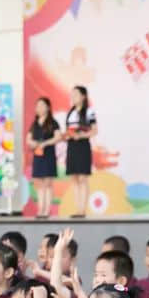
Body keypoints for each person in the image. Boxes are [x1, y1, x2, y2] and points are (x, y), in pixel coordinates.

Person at [65, 85, 96, 215]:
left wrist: (81, 135)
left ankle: (83, 209)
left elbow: (94, 130)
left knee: (83, 178)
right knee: (74, 177)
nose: (73, 97)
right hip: (72, 146)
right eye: (72, 94)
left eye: (76, 94)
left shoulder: (89, 111)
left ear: (83, 96)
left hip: (83, 145)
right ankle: (77, 208)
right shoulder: (70, 112)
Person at [27, 97, 60, 217]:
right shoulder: (35, 123)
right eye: (37, 105)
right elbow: (28, 139)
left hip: (49, 155)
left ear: (48, 107)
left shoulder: (52, 122)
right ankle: (40, 209)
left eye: (42, 105)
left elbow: (58, 136)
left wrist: (45, 143)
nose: (39, 108)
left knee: (48, 183)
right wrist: (34, 144)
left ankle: (47, 209)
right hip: (38, 155)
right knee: (39, 184)